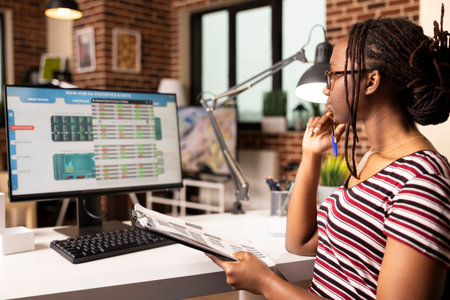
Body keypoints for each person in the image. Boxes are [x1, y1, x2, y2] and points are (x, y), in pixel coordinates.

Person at [207, 5, 450, 299]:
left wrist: (266, 283)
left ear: (371, 81)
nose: (326, 89)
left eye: (333, 75)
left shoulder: (422, 182)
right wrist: (311, 155)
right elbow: (300, 242)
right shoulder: (372, 160)